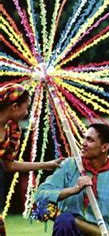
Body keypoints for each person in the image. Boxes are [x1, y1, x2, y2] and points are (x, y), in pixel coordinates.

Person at [35, 123, 109, 236]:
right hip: (68, 231)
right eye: (84, 138)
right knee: (64, 220)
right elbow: (40, 195)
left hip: (100, 233)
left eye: (90, 140)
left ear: (105, 147)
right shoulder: (69, 166)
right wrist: (74, 190)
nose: (83, 143)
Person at [0, 83, 62, 235]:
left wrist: (46, 164)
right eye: (26, 107)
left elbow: (9, 165)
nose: (27, 112)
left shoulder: (13, 130)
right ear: (14, 106)